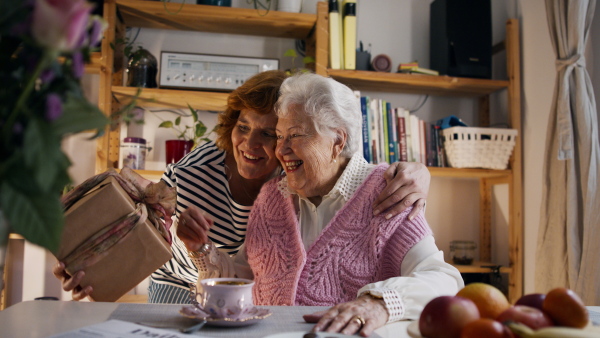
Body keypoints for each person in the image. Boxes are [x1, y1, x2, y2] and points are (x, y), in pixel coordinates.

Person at [53, 70, 432, 304]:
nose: (255, 145)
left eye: (273, 133)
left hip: (239, 292)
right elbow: (134, 227)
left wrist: (420, 172)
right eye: (244, 127)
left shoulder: (290, 175)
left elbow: (350, 169)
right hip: (184, 283)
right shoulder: (198, 173)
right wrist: (89, 265)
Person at [178, 73, 463, 336]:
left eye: (296, 135)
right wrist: (202, 248)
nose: (280, 149)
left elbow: (444, 279)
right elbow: (243, 275)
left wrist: (377, 304)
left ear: (337, 141)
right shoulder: (271, 197)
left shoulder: (387, 192)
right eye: (279, 136)